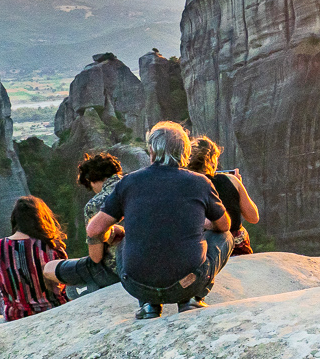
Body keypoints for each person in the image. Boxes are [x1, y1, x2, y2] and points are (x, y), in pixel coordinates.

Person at [87, 122, 231, 320]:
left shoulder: (128, 182)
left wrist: (113, 233)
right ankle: (192, 298)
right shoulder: (199, 182)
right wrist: (203, 224)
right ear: (185, 152)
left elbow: (94, 229)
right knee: (226, 237)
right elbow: (224, 226)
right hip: (187, 283)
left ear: (152, 151)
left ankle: (148, 305)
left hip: (137, 286)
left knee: (123, 237)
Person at [45, 152, 125, 294]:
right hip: (149, 261)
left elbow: (96, 257)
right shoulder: (137, 188)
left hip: (118, 270)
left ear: (90, 180)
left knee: (50, 269)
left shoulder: (95, 204)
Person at [0, 196, 71, 321]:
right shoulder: (51, 245)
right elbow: (66, 278)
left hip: (16, 315)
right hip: (55, 309)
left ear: (15, 219)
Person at [188, 137, 260, 255]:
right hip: (237, 247)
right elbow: (253, 217)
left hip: (206, 248)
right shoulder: (231, 180)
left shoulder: (186, 184)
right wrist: (238, 186)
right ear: (212, 160)